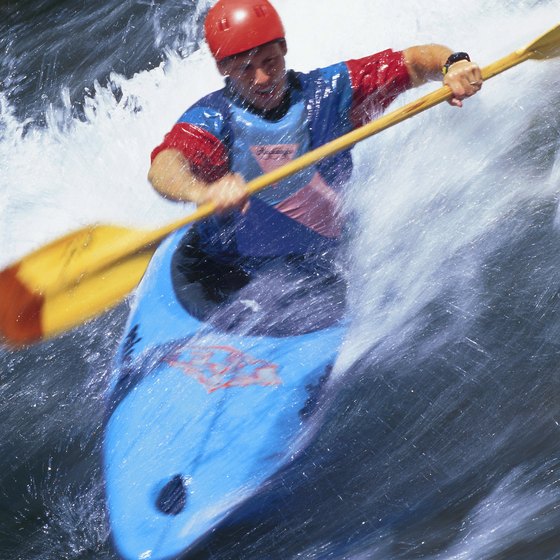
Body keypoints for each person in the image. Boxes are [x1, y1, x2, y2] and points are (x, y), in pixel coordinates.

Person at [147, 0, 483, 334]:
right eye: (246, 68)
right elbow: (164, 167)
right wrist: (203, 191)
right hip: (227, 274)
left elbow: (414, 61)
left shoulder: (332, 92)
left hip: (319, 266)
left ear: (284, 47)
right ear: (223, 68)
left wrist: (452, 64)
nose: (262, 78)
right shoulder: (211, 121)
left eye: (270, 61)